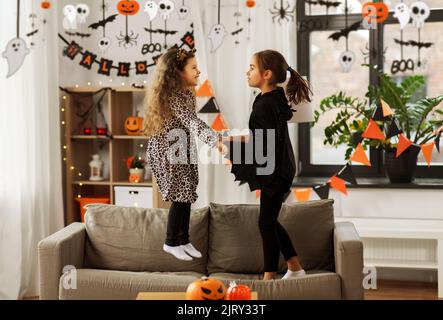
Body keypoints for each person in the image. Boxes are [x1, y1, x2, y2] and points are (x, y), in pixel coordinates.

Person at [227, 50, 313, 280]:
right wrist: (235, 141)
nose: (248, 71)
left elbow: (265, 145)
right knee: (269, 221)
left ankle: (269, 276)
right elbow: (263, 138)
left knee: (265, 223)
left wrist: (233, 148)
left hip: (275, 171)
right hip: (279, 167)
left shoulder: (266, 104)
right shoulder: (270, 98)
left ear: (266, 74)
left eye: (252, 68)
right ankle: (295, 268)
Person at [143, 48, 227, 261]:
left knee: (188, 191)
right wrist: (214, 140)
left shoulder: (187, 94)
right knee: (181, 195)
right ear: (178, 72)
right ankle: (171, 241)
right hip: (167, 151)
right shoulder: (173, 97)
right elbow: (193, 122)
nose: (198, 72)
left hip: (181, 146)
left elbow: (189, 124)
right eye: (194, 68)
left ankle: (183, 238)